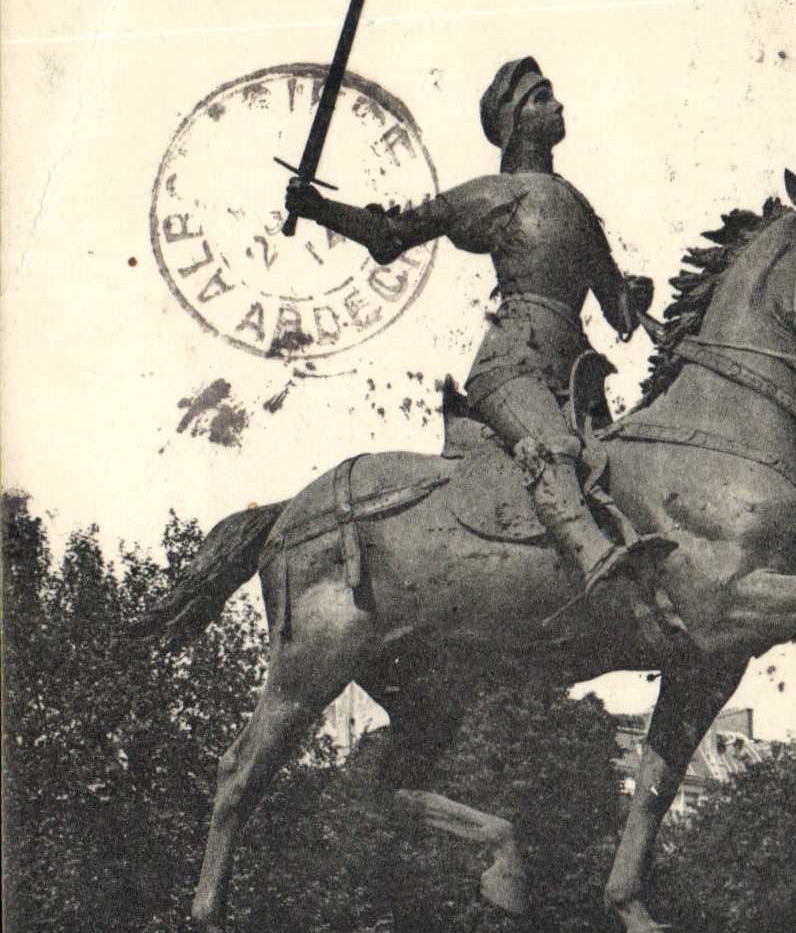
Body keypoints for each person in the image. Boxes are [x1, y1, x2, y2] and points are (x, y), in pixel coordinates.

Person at [285, 57, 674, 601]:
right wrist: (321, 209)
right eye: (542, 98)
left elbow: (619, 313)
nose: (558, 106)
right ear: (515, 119)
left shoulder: (575, 205)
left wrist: (636, 297)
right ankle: (596, 563)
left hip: (577, 380)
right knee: (552, 450)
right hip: (513, 367)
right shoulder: (493, 194)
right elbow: (391, 235)